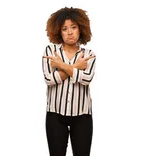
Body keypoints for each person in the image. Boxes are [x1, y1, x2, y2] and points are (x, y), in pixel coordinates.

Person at [42, 7, 96, 156]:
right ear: (59, 31)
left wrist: (60, 66)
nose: (70, 32)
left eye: (73, 27)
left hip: (82, 116)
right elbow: (49, 79)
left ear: (81, 29)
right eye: (65, 29)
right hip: (55, 115)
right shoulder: (50, 52)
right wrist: (76, 67)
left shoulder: (88, 54)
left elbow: (86, 79)